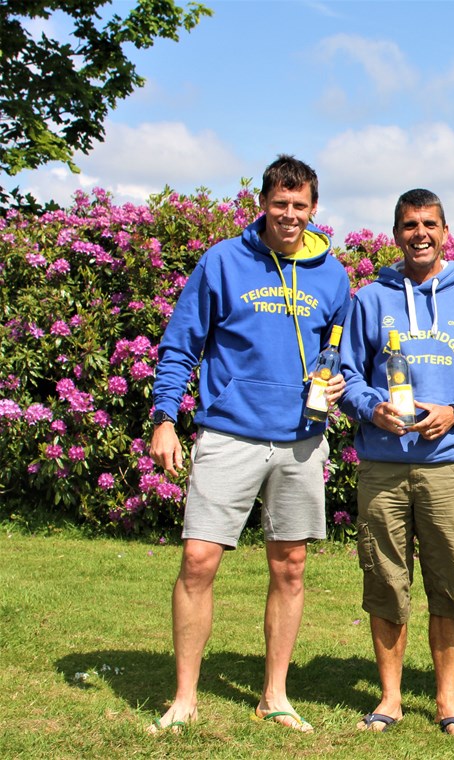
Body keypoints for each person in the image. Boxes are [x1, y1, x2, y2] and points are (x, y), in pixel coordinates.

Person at [147, 155, 352, 733]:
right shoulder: (223, 261)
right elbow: (180, 344)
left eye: (300, 205)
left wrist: (338, 382)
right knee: (197, 560)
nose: (289, 215)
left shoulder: (332, 275)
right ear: (263, 204)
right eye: (280, 204)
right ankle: (184, 696)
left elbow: (341, 355)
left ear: (314, 210)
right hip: (229, 430)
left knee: (290, 567)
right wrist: (165, 418)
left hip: (301, 441)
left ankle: (275, 695)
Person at [338, 189, 454, 739]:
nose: (420, 234)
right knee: (385, 579)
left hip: (446, 466)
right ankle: (388, 699)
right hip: (383, 464)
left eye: (429, 223)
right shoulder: (368, 299)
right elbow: (348, 379)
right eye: (409, 225)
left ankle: (446, 699)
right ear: (395, 234)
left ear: (445, 229)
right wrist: (371, 407)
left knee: (450, 580)